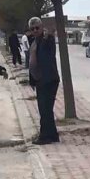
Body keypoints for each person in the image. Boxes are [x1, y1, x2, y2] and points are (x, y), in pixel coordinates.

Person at [27, 17, 60, 145]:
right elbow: (32, 62)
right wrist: (33, 80)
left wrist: (48, 34)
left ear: (41, 27)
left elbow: (47, 56)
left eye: (37, 28)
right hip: (40, 80)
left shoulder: (47, 40)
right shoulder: (34, 42)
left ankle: (45, 136)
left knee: (45, 108)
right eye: (32, 29)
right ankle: (52, 135)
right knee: (45, 109)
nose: (35, 30)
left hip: (49, 79)